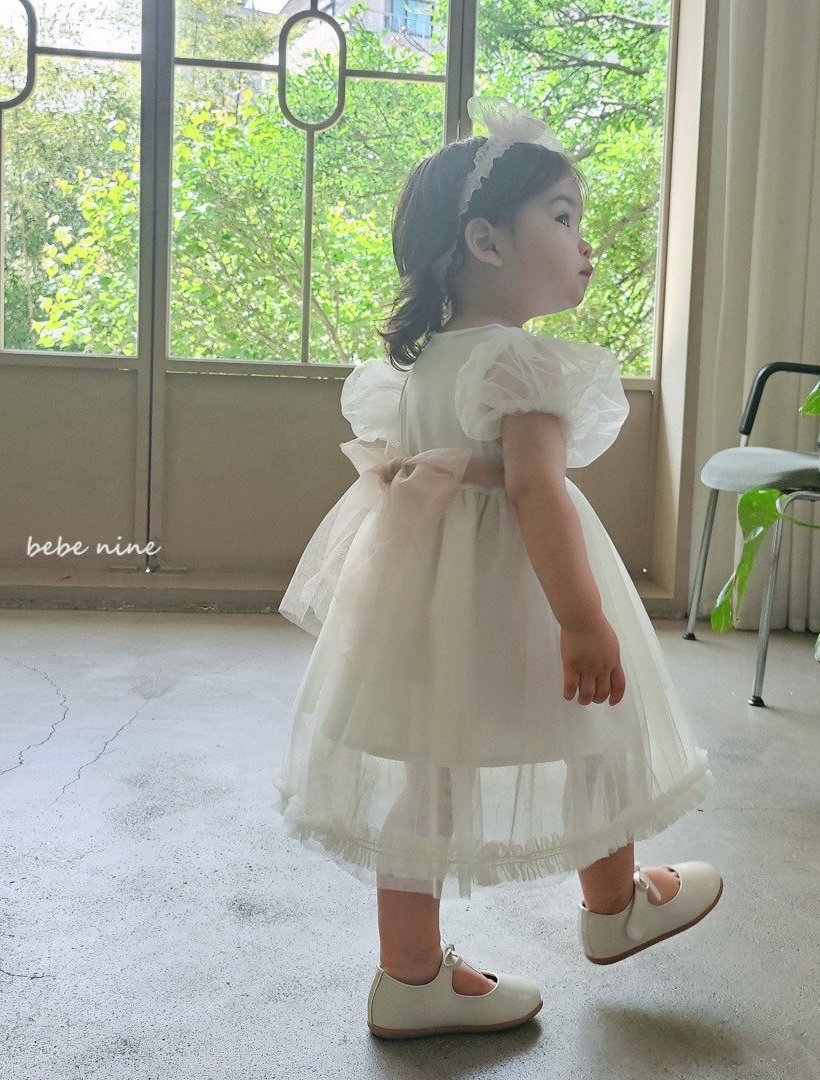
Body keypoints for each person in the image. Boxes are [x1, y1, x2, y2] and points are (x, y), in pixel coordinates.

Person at [272, 97, 722, 1040]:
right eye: (561, 216)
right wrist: (583, 618)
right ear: (486, 241)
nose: (585, 242)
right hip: (520, 590)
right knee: (597, 728)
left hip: (433, 597)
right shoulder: (523, 362)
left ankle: (408, 978)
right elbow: (534, 491)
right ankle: (615, 907)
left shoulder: (428, 362)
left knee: (430, 772)